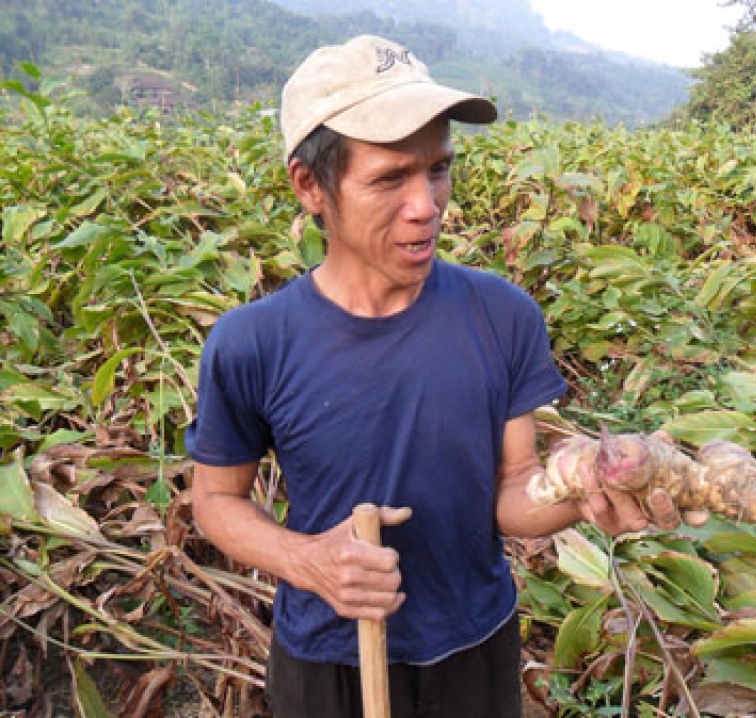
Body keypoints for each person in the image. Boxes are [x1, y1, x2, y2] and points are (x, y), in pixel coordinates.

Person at [187, 34, 677, 718]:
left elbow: (510, 491)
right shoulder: (253, 343)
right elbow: (215, 501)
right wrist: (309, 563)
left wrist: (579, 488)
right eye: (390, 178)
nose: (426, 204)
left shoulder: (503, 315)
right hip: (330, 660)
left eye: (438, 169)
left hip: (473, 649)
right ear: (310, 186)